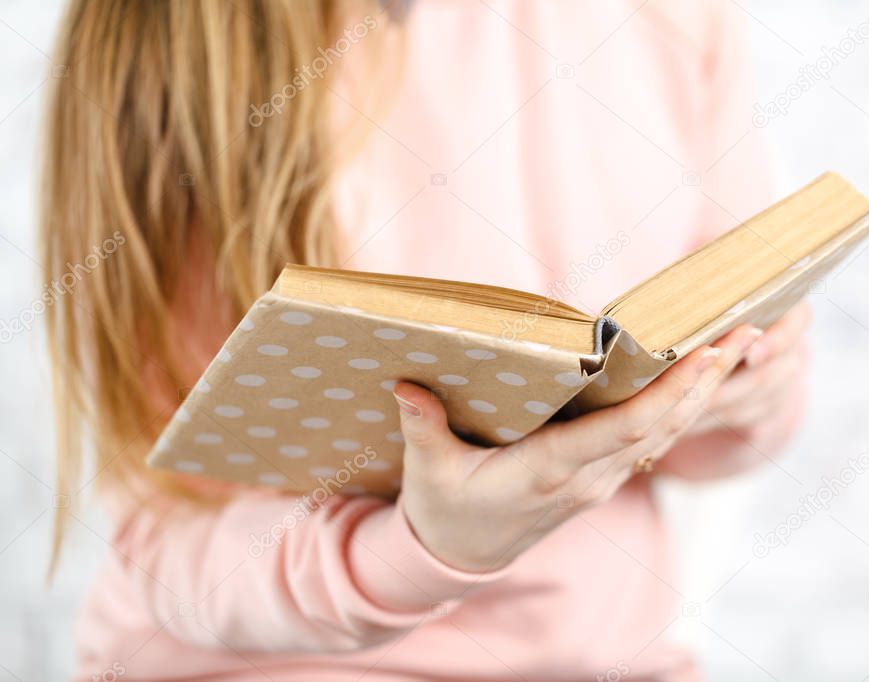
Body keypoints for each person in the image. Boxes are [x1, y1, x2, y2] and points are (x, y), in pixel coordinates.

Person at [40, 1, 808, 679]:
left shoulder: (673, 17)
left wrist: (746, 391)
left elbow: (721, 437)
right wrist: (420, 548)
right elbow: (168, 541)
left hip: (607, 654)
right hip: (280, 660)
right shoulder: (175, 38)